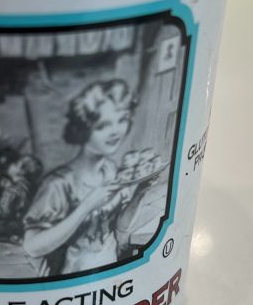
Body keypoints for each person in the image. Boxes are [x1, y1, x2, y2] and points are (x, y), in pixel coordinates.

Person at [23, 79, 156, 276]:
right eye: (103, 125)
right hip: (69, 277)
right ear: (84, 129)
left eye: (122, 120)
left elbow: (120, 229)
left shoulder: (111, 171)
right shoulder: (59, 183)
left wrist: (141, 191)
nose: (116, 132)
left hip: (107, 270)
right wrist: (86, 206)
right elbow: (32, 247)